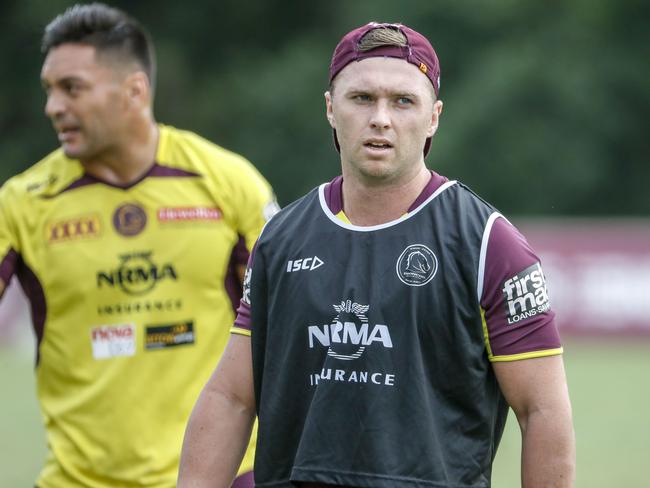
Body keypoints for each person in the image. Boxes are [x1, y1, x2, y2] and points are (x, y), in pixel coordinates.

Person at [178, 22, 575, 488]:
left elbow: (542, 410)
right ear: (330, 108)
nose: (381, 118)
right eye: (362, 98)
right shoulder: (280, 239)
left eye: (403, 101)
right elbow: (231, 397)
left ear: (434, 117)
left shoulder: (490, 243)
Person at [0, 3, 278, 487]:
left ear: (134, 91)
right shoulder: (22, 203)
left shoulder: (228, 183)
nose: (53, 107)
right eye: (49, 90)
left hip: (225, 476)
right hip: (79, 480)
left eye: (72, 89)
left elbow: (295, 321)